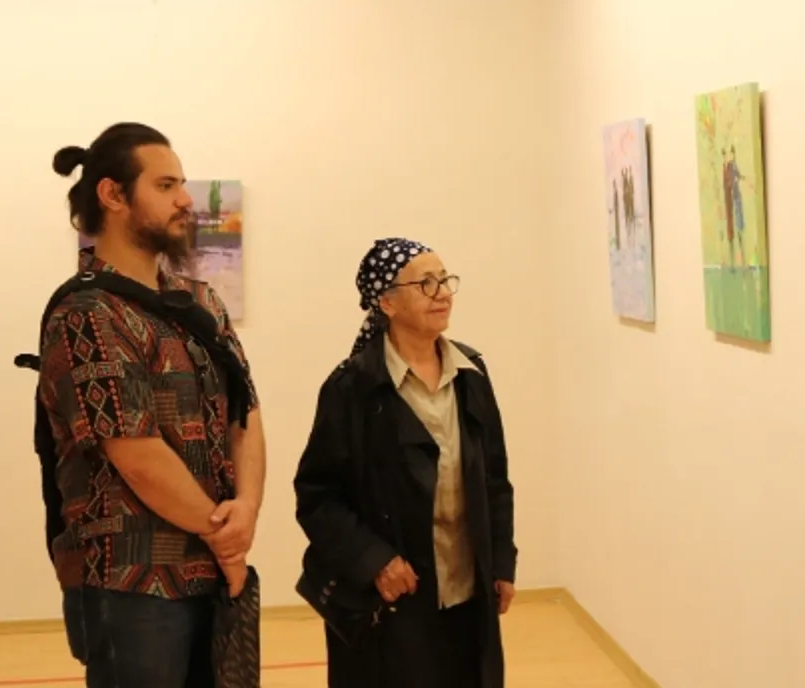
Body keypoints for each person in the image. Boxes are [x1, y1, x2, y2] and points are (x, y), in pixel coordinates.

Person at [37, 122, 266, 687]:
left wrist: (246, 511)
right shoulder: (87, 315)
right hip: (131, 585)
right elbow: (137, 454)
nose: (186, 199)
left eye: (182, 184)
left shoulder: (201, 302)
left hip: (212, 573)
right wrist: (226, 538)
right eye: (166, 185)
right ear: (112, 195)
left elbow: (246, 416)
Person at [294, 237, 517, 688]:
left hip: (468, 595)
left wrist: (501, 564)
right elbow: (318, 498)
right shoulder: (351, 387)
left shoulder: (472, 374)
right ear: (387, 303)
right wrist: (375, 561)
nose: (443, 293)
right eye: (425, 283)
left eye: (445, 280)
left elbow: (494, 479)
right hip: (392, 603)